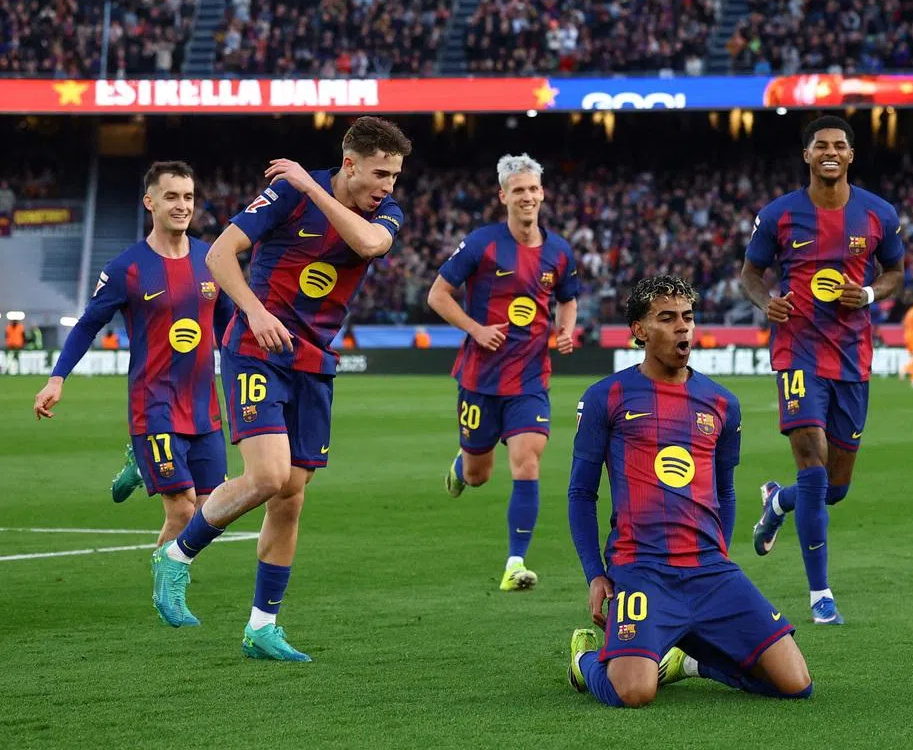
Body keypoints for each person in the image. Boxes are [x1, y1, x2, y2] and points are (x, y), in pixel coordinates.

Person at [149, 116, 412, 661]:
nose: (389, 185)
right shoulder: (285, 196)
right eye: (381, 173)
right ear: (351, 163)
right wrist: (255, 312)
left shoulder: (381, 211)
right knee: (267, 476)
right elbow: (220, 255)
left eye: (394, 175)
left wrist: (313, 185)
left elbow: (368, 246)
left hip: (314, 361)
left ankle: (261, 627)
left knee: (290, 498)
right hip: (256, 347)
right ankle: (176, 555)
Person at [566, 275, 812, 708]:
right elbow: (581, 494)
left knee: (795, 683)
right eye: (667, 318)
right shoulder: (607, 396)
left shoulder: (721, 404)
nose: (683, 328)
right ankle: (586, 659)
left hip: (709, 572)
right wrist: (595, 574)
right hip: (641, 570)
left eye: (688, 317)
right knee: (634, 692)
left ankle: (690, 662)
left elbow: (725, 492)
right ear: (640, 330)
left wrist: (722, 553)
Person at [741, 116, 904, 625]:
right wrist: (766, 301)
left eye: (839, 145)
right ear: (807, 155)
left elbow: (896, 271)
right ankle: (820, 596)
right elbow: (751, 272)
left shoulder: (879, 214)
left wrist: (873, 293)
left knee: (833, 487)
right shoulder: (778, 215)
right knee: (811, 457)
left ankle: (778, 501)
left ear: (850, 156)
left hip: (853, 358)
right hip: (798, 352)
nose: (830, 151)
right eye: (820, 146)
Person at [33, 161, 234, 556]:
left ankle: (141, 466)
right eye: (171, 196)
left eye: (188, 197)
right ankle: (166, 580)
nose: (182, 205)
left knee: (214, 511)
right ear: (150, 202)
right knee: (180, 510)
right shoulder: (126, 268)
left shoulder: (214, 259)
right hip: (153, 403)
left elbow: (228, 329)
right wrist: (57, 378)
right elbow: (89, 324)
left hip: (202, 404)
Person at [427, 154, 579, 591]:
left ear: (542, 193)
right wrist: (475, 329)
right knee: (479, 475)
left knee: (527, 463)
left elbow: (567, 299)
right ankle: (462, 464)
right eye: (518, 191)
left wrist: (565, 330)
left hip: (531, 380)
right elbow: (438, 294)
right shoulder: (482, 244)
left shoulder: (559, 251)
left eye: (533, 189)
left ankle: (515, 563)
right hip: (480, 379)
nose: (527, 197)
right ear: (503, 196)